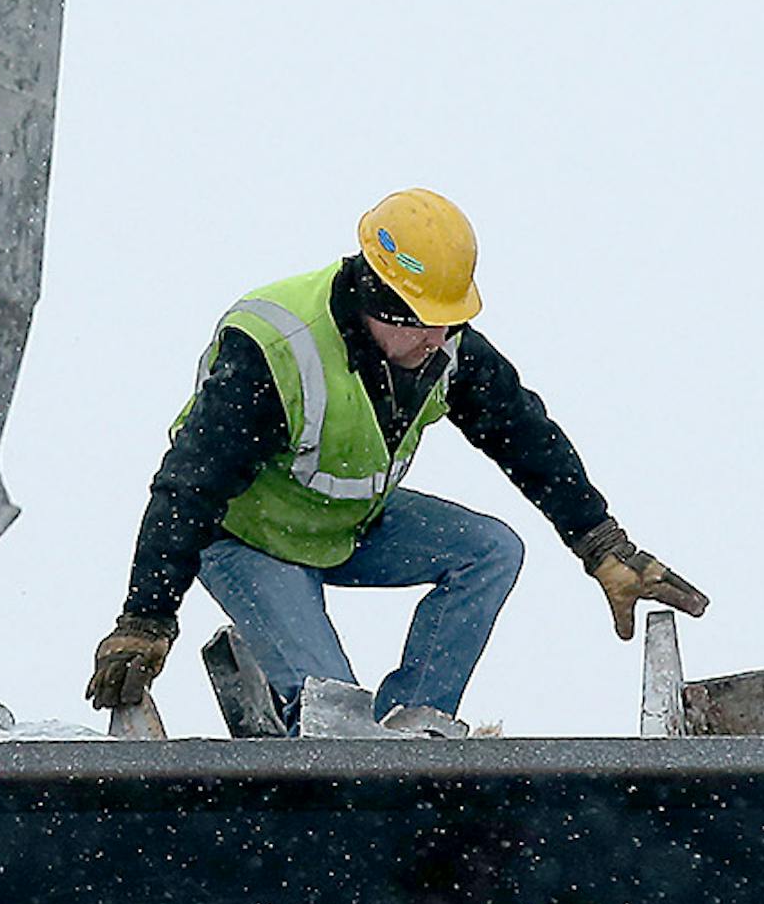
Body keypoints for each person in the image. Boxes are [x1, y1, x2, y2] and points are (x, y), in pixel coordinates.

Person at [86, 188, 707, 731]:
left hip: (347, 525)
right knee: (334, 722)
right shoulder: (275, 347)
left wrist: (600, 542)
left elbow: (525, 435)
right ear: (373, 300)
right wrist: (146, 617)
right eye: (420, 322)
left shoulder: (440, 344)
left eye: (449, 320)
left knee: (490, 550)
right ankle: (313, 730)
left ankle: (413, 728)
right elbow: (188, 487)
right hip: (250, 541)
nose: (436, 339)